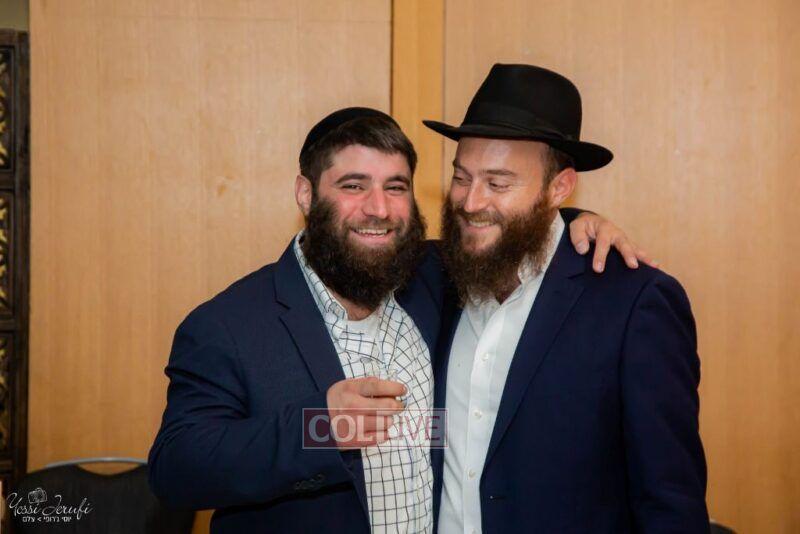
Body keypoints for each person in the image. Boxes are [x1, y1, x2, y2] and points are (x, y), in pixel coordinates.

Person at [148, 106, 648, 533]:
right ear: (306, 193)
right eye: (353, 185)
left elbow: (504, 226)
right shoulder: (228, 325)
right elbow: (175, 469)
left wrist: (575, 219)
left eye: (396, 187)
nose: (379, 209)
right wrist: (317, 427)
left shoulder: (433, 282)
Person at [425, 63, 709, 533]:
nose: (471, 202)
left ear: (558, 187)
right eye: (461, 177)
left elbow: (669, 500)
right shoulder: (435, 278)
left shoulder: (634, 303)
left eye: (498, 183)